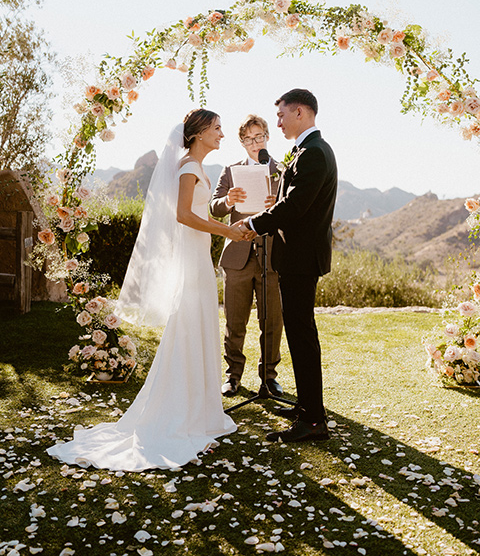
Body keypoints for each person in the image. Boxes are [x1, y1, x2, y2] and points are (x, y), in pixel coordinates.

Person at [47, 109, 245, 471]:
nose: (222, 134)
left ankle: (198, 411)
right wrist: (226, 231)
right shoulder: (188, 168)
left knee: (197, 329)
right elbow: (183, 215)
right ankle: (179, 414)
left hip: (198, 259)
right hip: (191, 262)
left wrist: (228, 220)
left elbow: (196, 214)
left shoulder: (196, 168)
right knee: (187, 329)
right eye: (217, 128)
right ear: (199, 133)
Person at [239, 89, 337, 444]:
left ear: (299, 112)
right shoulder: (309, 151)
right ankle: (307, 407)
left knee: (301, 336)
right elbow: (292, 203)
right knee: (298, 333)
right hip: (297, 257)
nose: (277, 122)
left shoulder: (313, 154)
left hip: (300, 259)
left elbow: (294, 208)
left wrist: (252, 224)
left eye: (280, 115)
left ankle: (314, 420)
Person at [210, 114, 284, 397]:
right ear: (242, 142)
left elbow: (295, 212)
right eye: (249, 139)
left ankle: (269, 377)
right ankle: (232, 376)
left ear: (267, 137)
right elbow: (214, 208)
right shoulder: (230, 171)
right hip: (238, 256)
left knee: (272, 322)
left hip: (273, 258)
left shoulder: (283, 170)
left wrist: (277, 205)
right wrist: (228, 200)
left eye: (260, 137)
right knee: (235, 321)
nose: (255, 143)